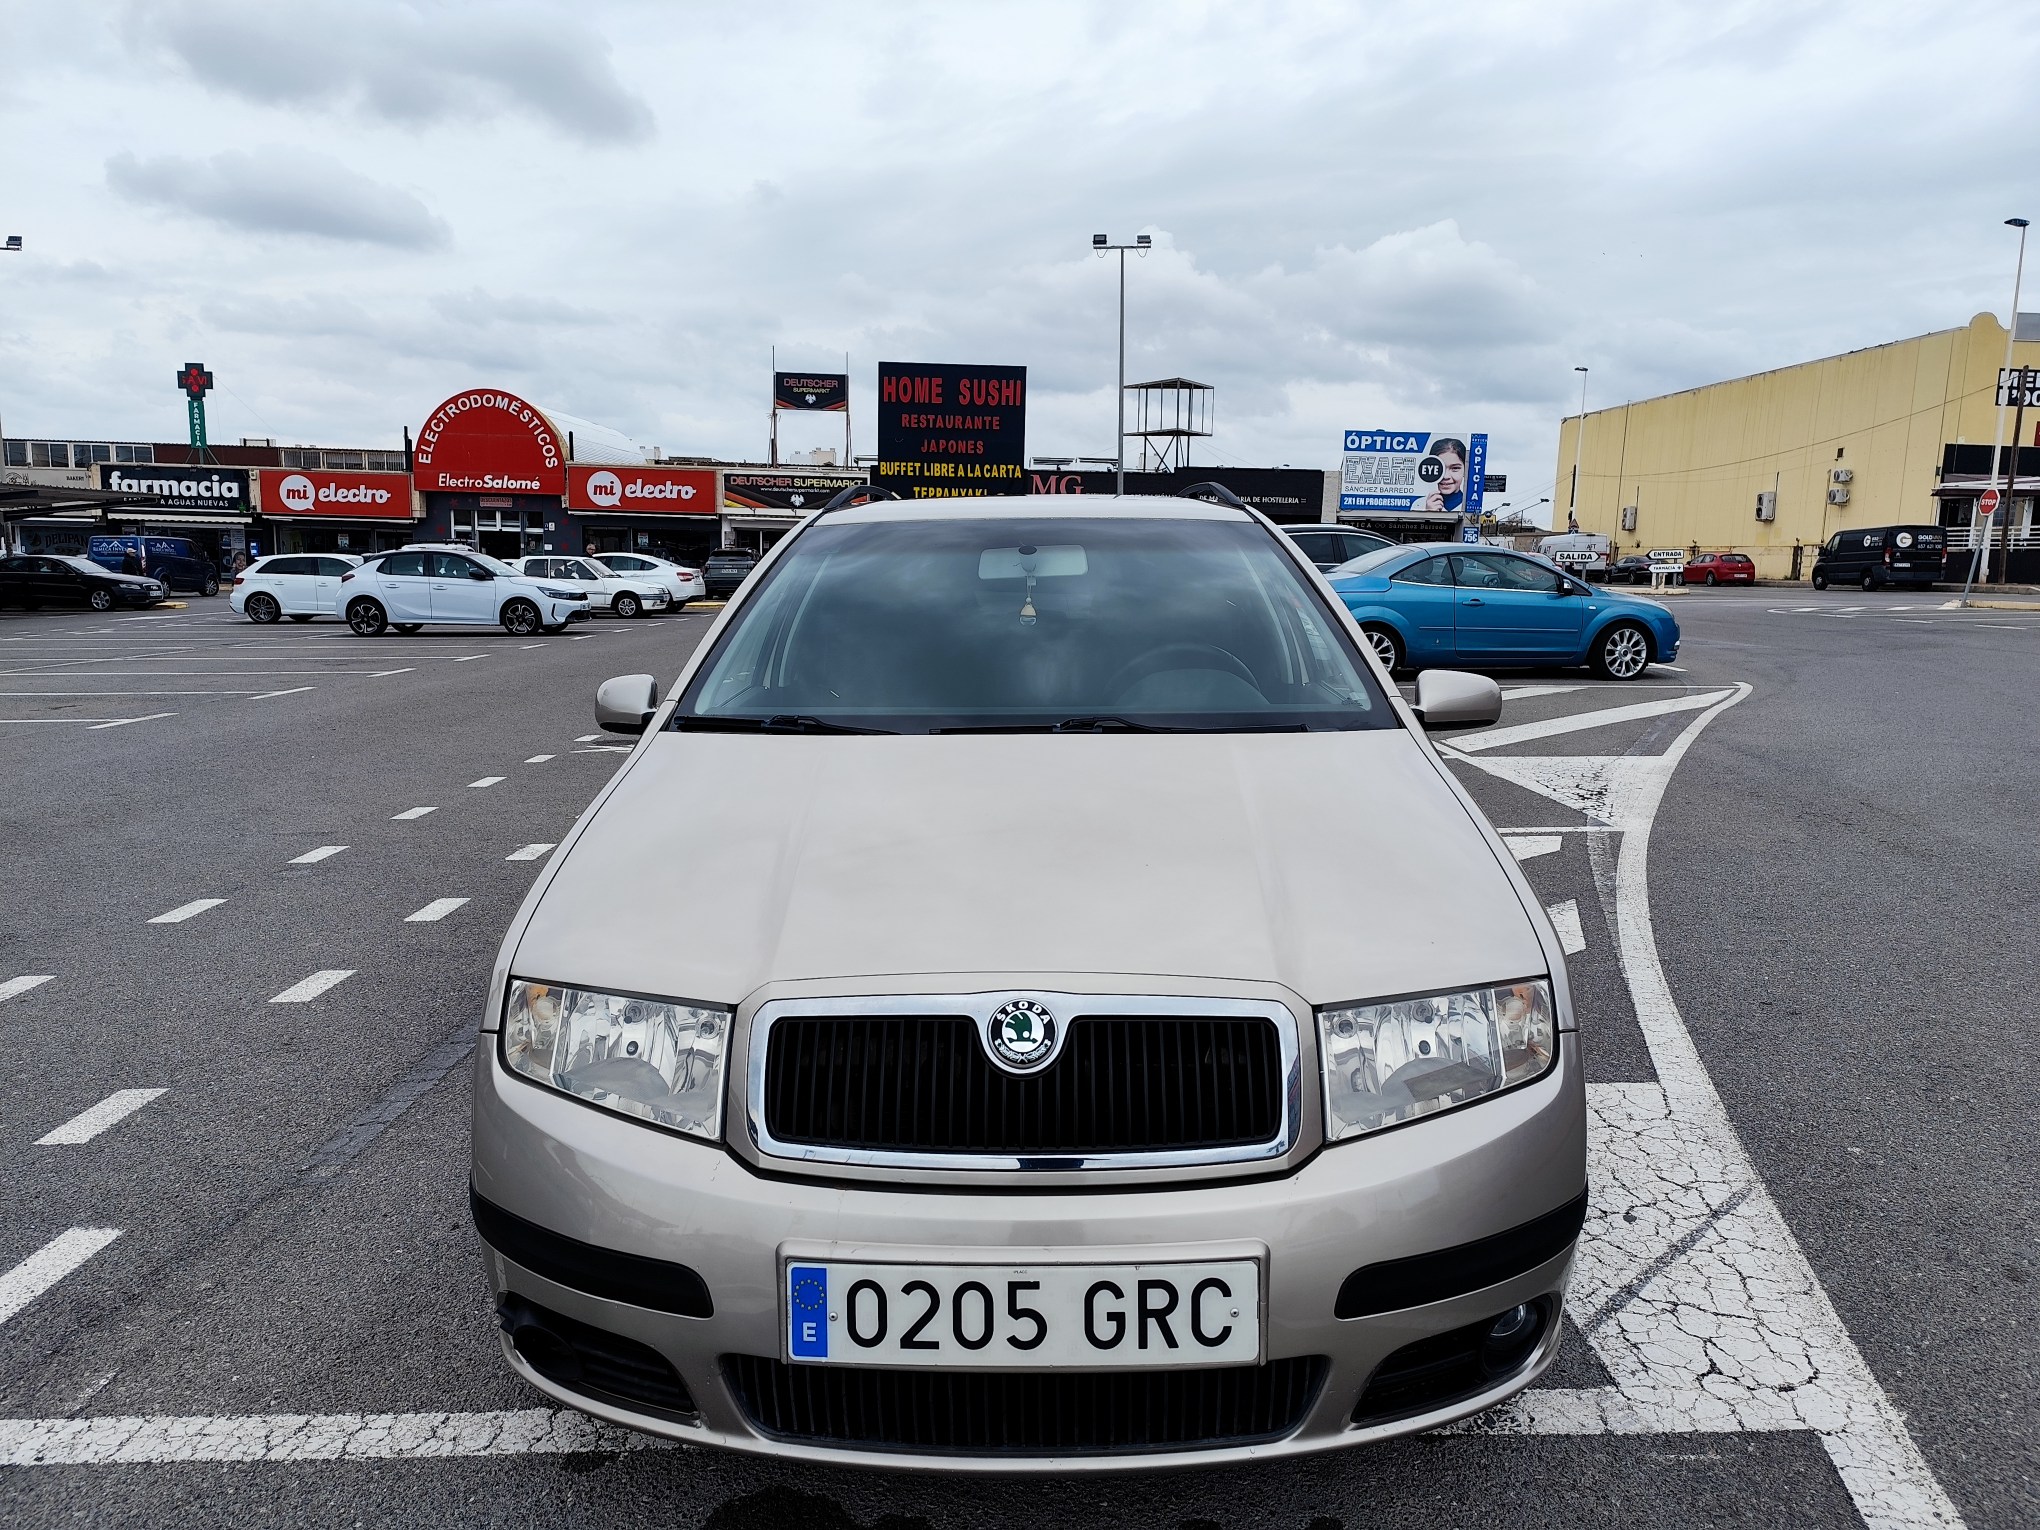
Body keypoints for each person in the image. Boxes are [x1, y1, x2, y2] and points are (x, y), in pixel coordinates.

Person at [1420, 439, 1469, 515]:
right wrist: (1427, 514)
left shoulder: (1470, 506)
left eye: (1455, 468)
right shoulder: (1418, 504)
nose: (1446, 476)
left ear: (1465, 470)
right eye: (1440, 468)